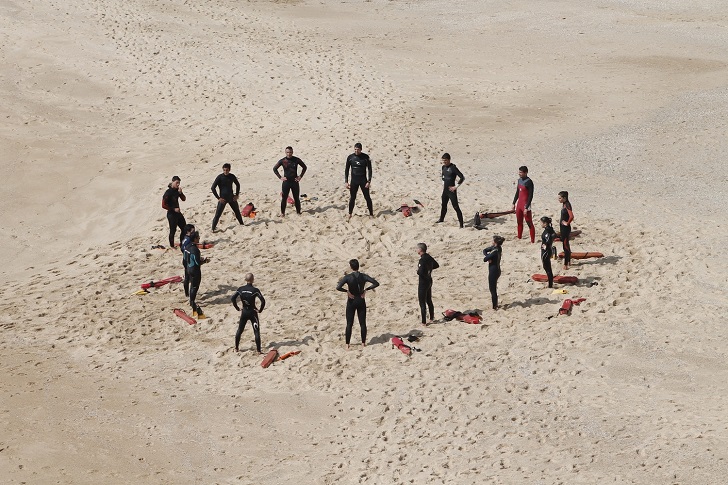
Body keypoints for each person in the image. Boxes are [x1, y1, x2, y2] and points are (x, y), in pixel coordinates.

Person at [336, 259, 379, 349]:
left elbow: (338, 287)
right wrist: (366, 290)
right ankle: (363, 343)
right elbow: (376, 283)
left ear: (351, 267)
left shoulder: (348, 277)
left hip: (351, 301)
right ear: (358, 266)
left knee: (349, 323)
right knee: (362, 323)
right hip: (361, 300)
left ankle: (347, 344)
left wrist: (347, 291)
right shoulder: (363, 276)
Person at [231, 273, 266, 354]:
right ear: (253, 279)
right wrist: (260, 310)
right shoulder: (255, 290)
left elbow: (233, 298)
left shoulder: (240, 289)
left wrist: (237, 308)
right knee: (256, 331)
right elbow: (263, 301)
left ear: (245, 279)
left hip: (244, 312)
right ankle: (258, 350)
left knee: (240, 330)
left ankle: (236, 348)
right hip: (253, 312)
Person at [273, 146, 307, 217]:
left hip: (295, 182)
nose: (289, 154)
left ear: (292, 152)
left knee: (296, 198)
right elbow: (274, 169)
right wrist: (280, 177)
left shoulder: (296, 160)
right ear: (285, 152)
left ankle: (298, 212)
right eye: (287, 152)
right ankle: (282, 213)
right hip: (286, 182)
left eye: (290, 152)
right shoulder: (282, 161)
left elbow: (304, 167)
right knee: (284, 198)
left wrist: (300, 176)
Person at [211, 163, 244, 231]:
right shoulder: (220, 177)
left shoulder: (232, 176)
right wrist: (218, 198)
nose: (225, 171)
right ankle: (213, 229)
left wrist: (236, 195)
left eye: (227, 170)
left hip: (231, 198)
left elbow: (238, 185)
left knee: (237, 212)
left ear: (229, 170)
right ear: (223, 170)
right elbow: (213, 188)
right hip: (223, 199)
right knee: (217, 214)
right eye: (224, 170)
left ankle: (242, 224)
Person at [345, 142, 374, 220]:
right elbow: (347, 170)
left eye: (358, 149)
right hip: (354, 181)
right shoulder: (350, 157)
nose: (356, 151)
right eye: (355, 149)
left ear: (361, 149)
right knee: (352, 197)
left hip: (363, 180)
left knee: (367, 197)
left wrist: (369, 181)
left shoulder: (365, 157)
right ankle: (350, 213)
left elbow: (370, 169)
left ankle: (371, 214)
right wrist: (346, 181)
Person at [184, 231, 209, 318]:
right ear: (195, 239)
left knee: (191, 285)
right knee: (195, 286)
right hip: (194, 270)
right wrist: (205, 261)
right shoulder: (195, 250)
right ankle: (192, 301)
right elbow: (197, 262)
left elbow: (185, 258)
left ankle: (189, 297)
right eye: (198, 237)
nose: (199, 239)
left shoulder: (187, 246)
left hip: (188, 267)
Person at [437, 153, 464, 228]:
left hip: (451, 191)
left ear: (449, 160)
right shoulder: (443, 167)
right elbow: (443, 177)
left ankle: (461, 224)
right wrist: (443, 184)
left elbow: (462, 177)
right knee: (443, 205)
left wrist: (456, 187)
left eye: (445, 160)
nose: (444, 162)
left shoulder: (453, 168)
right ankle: (441, 219)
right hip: (445, 190)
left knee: (456, 207)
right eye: (443, 160)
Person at [416, 243, 439, 325]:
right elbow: (436, 265)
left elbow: (420, 272)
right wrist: (429, 269)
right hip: (429, 280)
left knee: (422, 303)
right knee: (429, 300)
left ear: (420, 250)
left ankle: (423, 322)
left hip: (423, 282)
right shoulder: (429, 257)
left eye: (417, 248)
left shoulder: (422, 260)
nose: (416, 250)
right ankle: (431, 318)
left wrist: (418, 271)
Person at [162, 176, 187, 249]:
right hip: (171, 214)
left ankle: (182, 243)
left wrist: (181, 193)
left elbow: (184, 199)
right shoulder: (168, 192)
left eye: (179, 183)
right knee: (173, 231)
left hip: (178, 213)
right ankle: (172, 246)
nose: (178, 184)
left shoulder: (177, 190)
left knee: (184, 228)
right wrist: (173, 209)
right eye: (177, 183)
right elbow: (163, 205)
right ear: (172, 182)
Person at [512, 166, 535, 243]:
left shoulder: (529, 182)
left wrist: (526, 207)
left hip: (525, 205)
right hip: (519, 204)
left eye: (521, 172)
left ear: (526, 173)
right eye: (519, 172)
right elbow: (517, 192)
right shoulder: (519, 180)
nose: (519, 174)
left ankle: (532, 241)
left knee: (529, 223)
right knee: (519, 221)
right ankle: (519, 237)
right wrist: (513, 203)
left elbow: (530, 196)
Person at [483, 235, 505, 310]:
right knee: (493, 288)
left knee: (492, 289)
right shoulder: (498, 248)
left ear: (495, 243)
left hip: (493, 271)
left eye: (492, 240)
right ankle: (495, 304)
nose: (491, 241)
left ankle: (495, 306)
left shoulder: (494, 251)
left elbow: (485, 259)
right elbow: (484, 250)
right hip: (497, 270)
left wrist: (488, 257)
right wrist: (488, 256)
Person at [558, 191, 575, 270]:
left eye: (560, 198)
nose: (559, 199)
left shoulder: (567, 205)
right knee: (565, 244)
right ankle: (568, 261)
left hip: (565, 228)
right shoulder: (564, 204)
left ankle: (566, 264)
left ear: (564, 198)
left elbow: (571, 216)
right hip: (562, 228)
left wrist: (567, 223)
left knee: (565, 246)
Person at [539, 216, 557, 288]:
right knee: (547, 267)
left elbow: (549, 239)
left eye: (541, 223)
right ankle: (550, 283)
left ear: (545, 223)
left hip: (546, 252)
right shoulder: (550, 229)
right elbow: (554, 235)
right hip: (547, 251)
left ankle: (550, 285)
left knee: (547, 268)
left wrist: (546, 245)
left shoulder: (547, 231)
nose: (540, 224)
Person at [180, 224, 196, 297]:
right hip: (188, 260)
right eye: (192, 232)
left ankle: (187, 293)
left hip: (185, 258)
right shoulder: (188, 240)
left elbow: (182, 248)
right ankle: (188, 294)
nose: (194, 233)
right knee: (188, 278)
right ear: (187, 232)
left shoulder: (185, 238)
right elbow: (184, 249)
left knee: (187, 277)